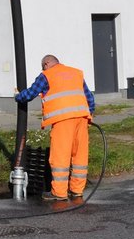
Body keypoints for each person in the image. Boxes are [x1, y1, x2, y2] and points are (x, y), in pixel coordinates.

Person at [15, 55, 95, 201]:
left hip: (63, 120)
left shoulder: (46, 75)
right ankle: (77, 190)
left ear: (46, 64)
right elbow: (89, 97)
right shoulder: (76, 72)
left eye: (42, 66)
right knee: (79, 155)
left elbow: (31, 93)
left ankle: (59, 193)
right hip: (82, 118)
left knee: (60, 156)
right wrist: (89, 113)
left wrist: (18, 96)